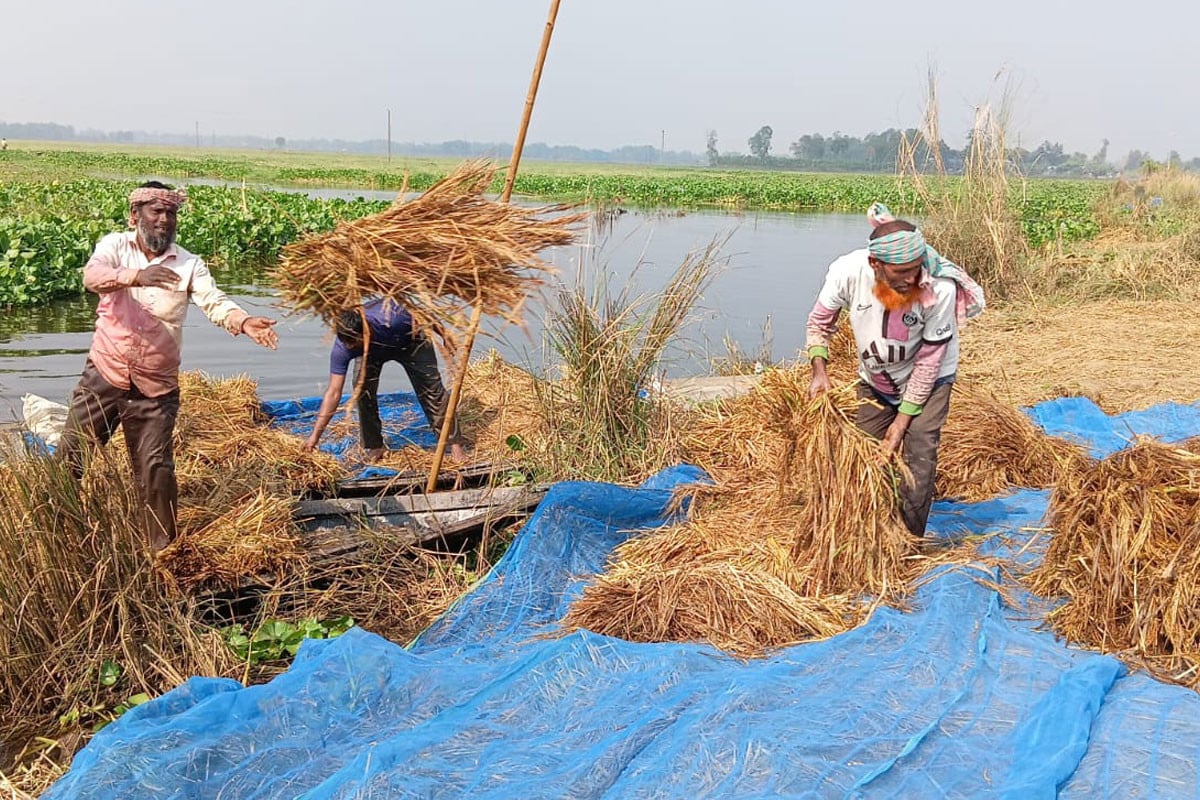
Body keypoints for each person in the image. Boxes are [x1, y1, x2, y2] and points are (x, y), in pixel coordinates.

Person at [59, 181, 279, 551]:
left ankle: (161, 550)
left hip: (155, 386)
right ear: (136, 216)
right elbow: (92, 277)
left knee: (155, 470)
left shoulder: (189, 263)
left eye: (170, 213)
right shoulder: (114, 246)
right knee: (72, 455)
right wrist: (135, 276)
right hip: (105, 372)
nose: (164, 219)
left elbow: (214, 301)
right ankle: (59, 525)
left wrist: (242, 321)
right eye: (156, 211)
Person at [805, 203, 985, 537]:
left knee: (918, 456)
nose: (911, 280)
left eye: (916, 270)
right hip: (875, 378)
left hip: (929, 381)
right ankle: (865, 531)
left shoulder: (939, 288)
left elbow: (930, 362)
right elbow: (819, 324)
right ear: (875, 264)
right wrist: (820, 371)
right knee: (863, 453)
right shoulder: (847, 272)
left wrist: (899, 426)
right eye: (900, 272)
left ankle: (907, 540)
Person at [304, 299, 467, 463]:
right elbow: (333, 392)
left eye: (355, 343)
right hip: (371, 354)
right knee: (362, 392)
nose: (350, 347)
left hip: (411, 341)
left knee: (433, 391)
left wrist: (445, 335)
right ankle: (374, 446)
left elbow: (423, 313)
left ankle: (454, 444)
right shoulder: (345, 347)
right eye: (348, 345)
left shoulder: (394, 317)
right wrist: (314, 437)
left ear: (365, 333)